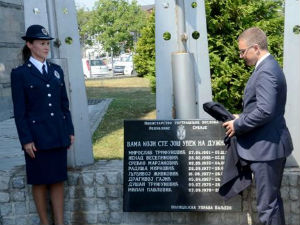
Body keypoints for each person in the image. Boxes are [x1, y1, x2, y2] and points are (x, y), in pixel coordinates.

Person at [223, 27, 293, 225]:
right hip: (267, 147)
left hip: (266, 149)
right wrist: (243, 115)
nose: (240, 56)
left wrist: (238, 124)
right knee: (271, 204)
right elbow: (262, 107)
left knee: (267, 207)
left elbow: (265, 111)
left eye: (243, 51)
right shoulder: (268, 67)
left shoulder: (266, 71)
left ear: (255, 48)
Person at [11, 24, 75, 225]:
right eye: (41, 43)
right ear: (30, 44)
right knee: (39, 181)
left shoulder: (56, 71)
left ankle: (60, 222)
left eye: (47, 43)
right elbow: (19, 112)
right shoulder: (20, 74)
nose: (46, 47)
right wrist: (26, 139)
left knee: (57, 179)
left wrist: (69, 130)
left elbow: (64, 105)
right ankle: (45, 223)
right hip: (36, 138)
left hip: (57, 133)